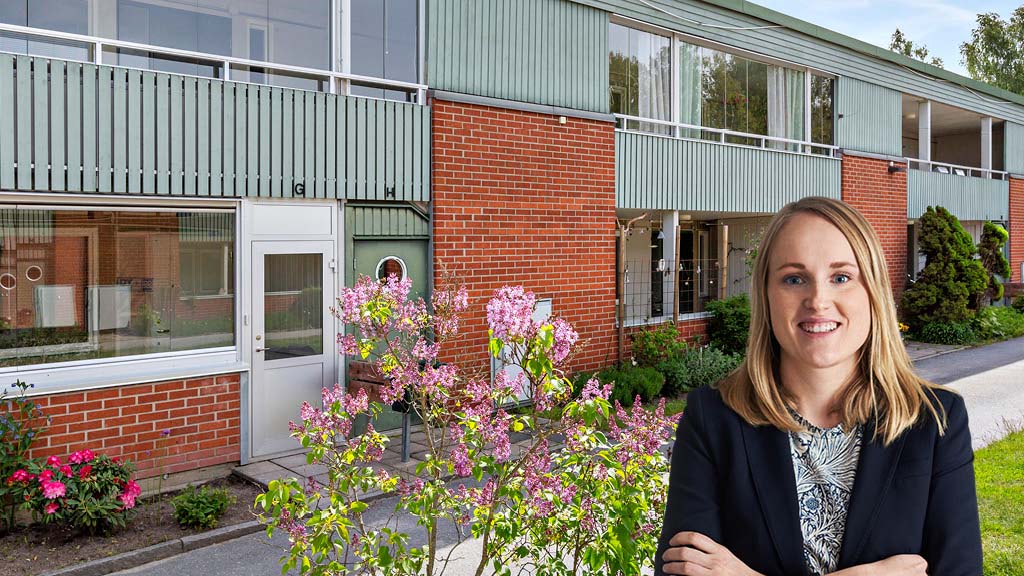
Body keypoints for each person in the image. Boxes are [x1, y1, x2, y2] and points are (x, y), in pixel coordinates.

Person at [655, 197, 982, 576]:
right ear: (766, 295)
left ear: (872, 292)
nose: (818, 300)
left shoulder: (935, 422)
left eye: (841, 277)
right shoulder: (713, 419)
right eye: (794, 279)